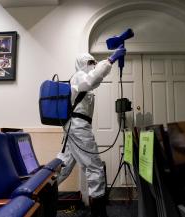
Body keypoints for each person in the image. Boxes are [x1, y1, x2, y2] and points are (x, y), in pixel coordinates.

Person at [57, 45, 126, 217]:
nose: (93, 64)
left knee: (63, 166)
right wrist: (110, 60)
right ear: (81, 64)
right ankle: (99, 213)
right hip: (78, 128)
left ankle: (39, 194)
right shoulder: (80, 76)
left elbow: (93, 80)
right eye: (90, 62)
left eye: (94, 62)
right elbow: (92, 80)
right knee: (95, 167)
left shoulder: (79, 79)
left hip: (74, 127)